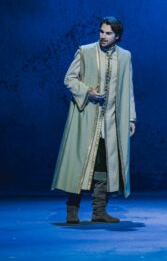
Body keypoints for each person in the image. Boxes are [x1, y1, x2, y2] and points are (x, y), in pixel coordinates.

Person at [51, 16, 136, 224]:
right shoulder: (85, 51)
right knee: (79, 164)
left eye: (108, 33)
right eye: (101, 31)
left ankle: (99, 211)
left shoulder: (125, 57)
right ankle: (72, 211)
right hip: (86, 118)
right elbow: (69, 79)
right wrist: (87, 91)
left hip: (111, 121)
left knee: (105, 167)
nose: (103, 36)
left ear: (117, 36)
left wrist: (131, 118)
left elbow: (128, 88)